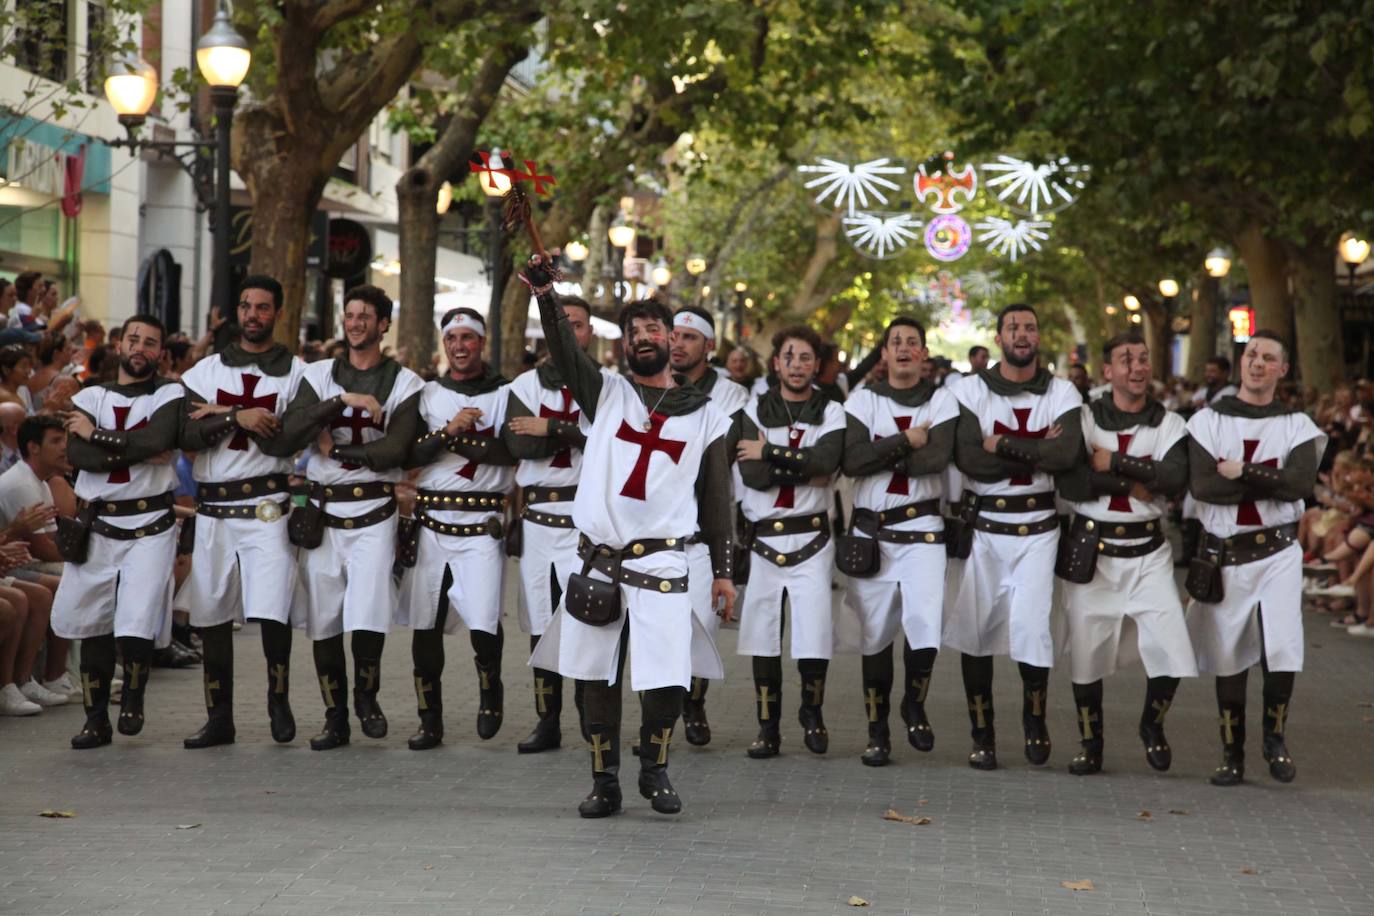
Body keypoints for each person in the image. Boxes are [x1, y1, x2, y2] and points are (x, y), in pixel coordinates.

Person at [525, 253, 735, 818]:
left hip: (665, 561)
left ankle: (655, 770)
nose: (642, 337)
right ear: (623, 346)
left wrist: (723, 573)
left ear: (673, 340)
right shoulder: (608, 394)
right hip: (599, 561)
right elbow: (567, 353)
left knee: (666, 675)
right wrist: (546, 295)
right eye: (633, 332)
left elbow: (717, 499)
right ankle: (604, 780)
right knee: (596, 674)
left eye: (652, 329)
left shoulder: (709, 417)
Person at [278, 285, 423, 751]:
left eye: (366, 316)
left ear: (384, 325)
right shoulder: (319, 375)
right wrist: (343, 403)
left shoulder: (404, 383)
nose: (356, 322)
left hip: (374, 511)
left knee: (368, 611)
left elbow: (394, 449)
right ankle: (334, 715)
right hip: (323, 511)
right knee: (323, 619)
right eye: (350, 314)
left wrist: (337, 447)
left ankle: (366, 697)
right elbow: (291, 431)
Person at [943, 304, 1082, 770]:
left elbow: (1065, 455)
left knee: (1031, 629)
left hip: (1040, 527)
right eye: (1013, 328)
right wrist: (1037, 449)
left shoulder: (1061, 391)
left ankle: (1034, 719)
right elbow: (968, 459)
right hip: (984, 529)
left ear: (1039, 337)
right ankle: (982, 734)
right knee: (975, 632)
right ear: (998, 336)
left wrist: (1000, 443)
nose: (1022, 335)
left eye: (1029, 328)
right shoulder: (969, 390)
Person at [1054, 331, 1197, 775]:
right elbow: (1071, 481)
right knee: (1086, 652)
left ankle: (1151, 725)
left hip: (1149, 551)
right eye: (1126, 359)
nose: (1137, 366)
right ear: (1108, 371)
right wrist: (1136, 481)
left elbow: (1173, 480)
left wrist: (1112, 462)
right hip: (1093, 551)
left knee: (1172, 644)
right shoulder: (1083, 417)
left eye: (1142, 358)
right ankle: (1090, 742)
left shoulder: (1169, 424)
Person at [1185, 331, 1323, 786]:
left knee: (1281, 647)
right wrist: (1272, 480)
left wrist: (1242, 470)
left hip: (1278, 551)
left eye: (1268, 358)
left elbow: (1299, 485)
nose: (1257, 364)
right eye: (1250, 356)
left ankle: (1275, 739)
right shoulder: (1208, 422)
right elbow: (1205, 487)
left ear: (1283, 369)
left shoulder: (1297, 426)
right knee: (1228, 653)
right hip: (1227, 553)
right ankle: (1232, 752)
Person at [177, 275, 308, 748]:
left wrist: (222, 414)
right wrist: (237, 416)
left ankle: (278, 699)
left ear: (278, 313)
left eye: (263, 307)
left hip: (266, 505)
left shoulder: (297, 373)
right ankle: (220, 716)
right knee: (210, 612)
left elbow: (292, 435)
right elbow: (187, 435)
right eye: (247, 306)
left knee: (273, 608)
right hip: (214, 508)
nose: (253, 314)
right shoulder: (204, 372)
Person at [51, 315, 184, 748]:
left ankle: (133, 698)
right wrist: (132, 449)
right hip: (99, 523)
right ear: (120, 345)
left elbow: (159, 437)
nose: (140, 347)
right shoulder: (90, 395)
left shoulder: (170, 392)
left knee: (137, 618)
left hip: (151, 524)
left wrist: (98, 437)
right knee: (93, 621)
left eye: (149, 341)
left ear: (160, 352)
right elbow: (79, 455)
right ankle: (95, 718)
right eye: (133, 339)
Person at [841, 317, 958, 765]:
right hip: (873, 533)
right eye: (896, 342)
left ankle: (915, 703)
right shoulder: (864, 400)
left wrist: (881, 453)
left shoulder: (942, 400)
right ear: (884, 354)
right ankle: (877, 731)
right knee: (874, 635)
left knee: (925, 627)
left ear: (924, 354)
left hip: (924, 531)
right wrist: (907, 438)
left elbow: (936, 458)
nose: (905, 348)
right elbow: (851, 460)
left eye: (913, 342)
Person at [398, 307, 514, 751]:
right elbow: (408, 452)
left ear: (481, 342)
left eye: (468, 338)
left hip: (482, 524)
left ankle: (490, 691)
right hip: (431, 523)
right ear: (443, 344)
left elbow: (512, 451)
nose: (460, 346)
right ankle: (430, 718)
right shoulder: (427, 394)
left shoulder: (506, 392)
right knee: (425, 624)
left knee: (484, 621)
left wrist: (459, 439)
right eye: (452, 339)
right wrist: (449, 430)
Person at [732, 326, 845, 759]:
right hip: (764, 539)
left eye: (805, 358)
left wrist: (772, 453)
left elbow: (828, 460)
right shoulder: (755, 409)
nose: (797, 365)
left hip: (813, 537)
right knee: (762, 634)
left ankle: (812, 713)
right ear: (776, 363)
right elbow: (752, 475)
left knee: (814, 631)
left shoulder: (832, 411)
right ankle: (767, 726)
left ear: (816, 365)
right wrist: (805, 469)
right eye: (789, 356)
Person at [503, 295, 604, 754]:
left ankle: (589, 709)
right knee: (541, 619)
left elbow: (610, 444)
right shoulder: (525, 385)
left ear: (589, 333)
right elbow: (518, 447)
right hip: (541, 518)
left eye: (578, 325)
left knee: (588, 616)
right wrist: (573, 434)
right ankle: (548, 718)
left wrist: (554, 429)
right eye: (562, 325)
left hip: (587, 520)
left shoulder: (606, 386)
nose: (570, 333)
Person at [670, 305, 750, 745]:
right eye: (674, 335)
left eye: (689, 337)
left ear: (709, 346)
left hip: (707, 529)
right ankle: (659, 715)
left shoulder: (732, 396)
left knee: (702, 625)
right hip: (661, 529)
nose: (678, 344)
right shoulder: (652, 386)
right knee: (659, 628)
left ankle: (694, 703)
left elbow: (719, 451)